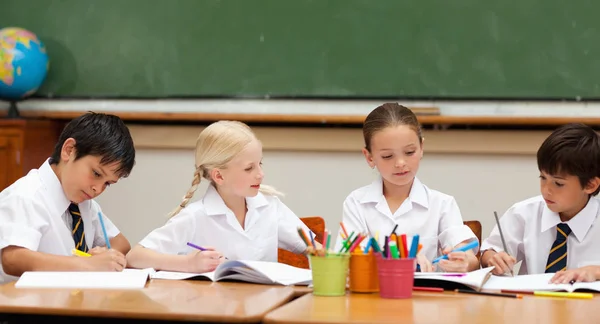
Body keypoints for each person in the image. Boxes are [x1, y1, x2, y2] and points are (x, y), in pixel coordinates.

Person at [127, 120, 317, 273]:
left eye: (260, 164)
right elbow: (134, 257)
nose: (260, 174)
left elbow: (312, 247)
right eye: (249, 168)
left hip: (265, 306)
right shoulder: (196, 216)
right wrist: (188, 263)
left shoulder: (270, 206)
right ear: (219, 176)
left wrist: (319, 253)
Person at [335, 103, 479, 272]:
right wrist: (398, 260)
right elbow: (346, 259)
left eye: (409, 152)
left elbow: (470, 258)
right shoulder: (356, 203)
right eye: (388, 156)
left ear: (421, 148)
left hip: (427, 296)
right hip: (373, 296)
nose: (400, 163)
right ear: (369, 157)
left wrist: (464, 261)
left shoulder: (442, 204)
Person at [0, 112, 135, 283]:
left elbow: (121, 243)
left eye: (108, 183)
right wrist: (88, 265)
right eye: (96, 173)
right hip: (20, 305)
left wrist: (106, 254)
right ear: (69, 150)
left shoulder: (84, 204)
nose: (98, 188)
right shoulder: (26, 196)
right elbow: (12, 259)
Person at [481, 123, 600, 283]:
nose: (546, 190)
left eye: (558, 183)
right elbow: (489, 252)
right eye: (543, 178)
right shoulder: (524, 213)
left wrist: (595, 271)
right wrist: (493, 258)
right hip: (531, 304)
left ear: (590, 185)